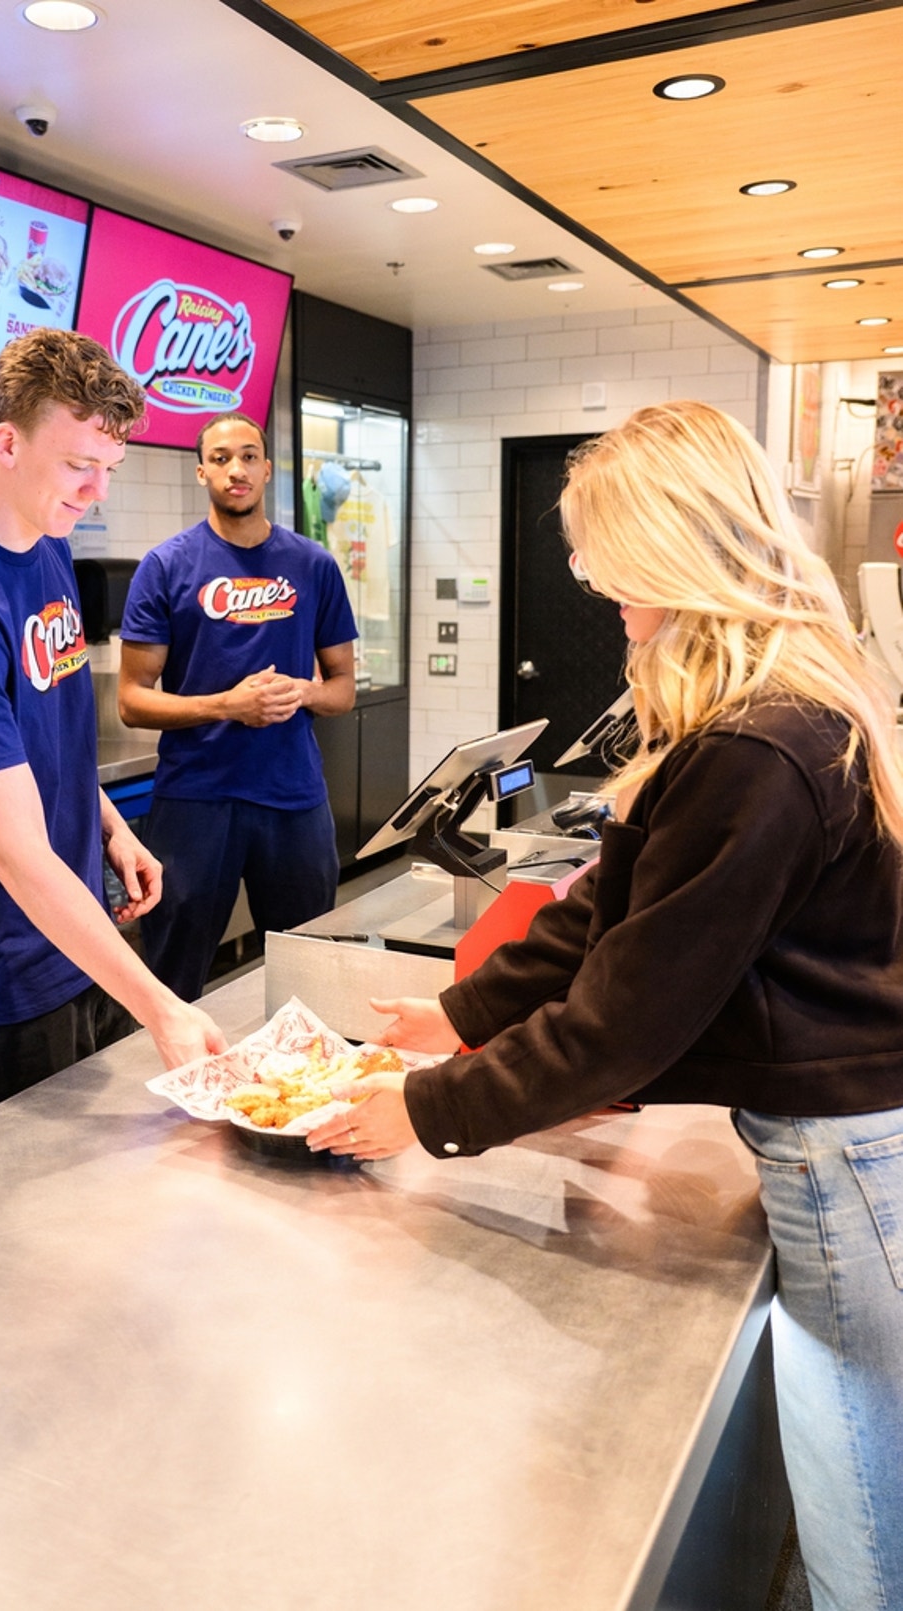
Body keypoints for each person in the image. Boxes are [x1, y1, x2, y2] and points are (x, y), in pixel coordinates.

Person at [308, 400, 903, 1611]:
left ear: (680, 552)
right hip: (835, 1146)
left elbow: (628, 1017)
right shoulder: (751, 718)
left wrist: (427, 1113)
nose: (598, 591)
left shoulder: (759, 747)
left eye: (611, 563)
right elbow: (608, 913)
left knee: (863, 1527)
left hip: (847, 1162)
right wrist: (459, 1017)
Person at [0, 327, 226, 1133]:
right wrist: (162, 1005)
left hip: (74, 946)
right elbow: (16, 853)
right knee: (9, 1246)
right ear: (6, 442)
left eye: (110, 468)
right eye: (78, 466)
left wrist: (108, 825)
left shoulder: (45, 543)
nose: (96, 491)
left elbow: (44, 740)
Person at [117, 411, 357, 1003]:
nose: (236, 469)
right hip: (196, 799)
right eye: (221, 458)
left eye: (249, 456)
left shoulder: (314, 566)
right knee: (172, 979)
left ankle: (295, 1092)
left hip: (293, 797)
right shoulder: (165, 567)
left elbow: (343, 686)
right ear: (202, 471)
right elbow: (131, 700)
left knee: (307, 976)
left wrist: (302, 692)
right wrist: (227, 705)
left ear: (267, 469)